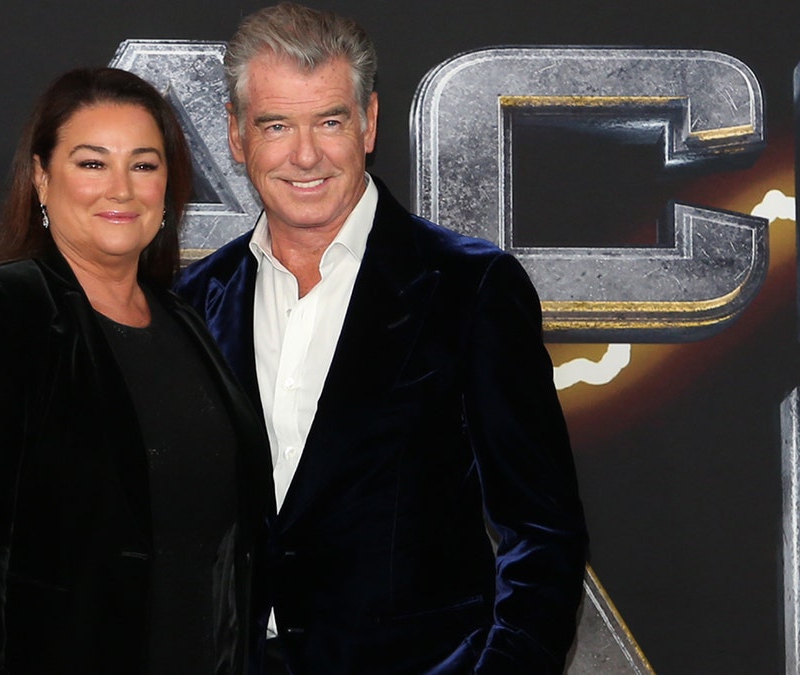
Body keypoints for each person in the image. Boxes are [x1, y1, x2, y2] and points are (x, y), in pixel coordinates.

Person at [174, 4, 588, 674]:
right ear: (236, 134)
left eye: (329, 121)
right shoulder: (192, 305)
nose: (304, 155)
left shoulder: (468, 289)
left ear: (368, 123)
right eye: (277, 125)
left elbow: (542, 531)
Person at [0, 67, 274, 675]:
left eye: (144, 165)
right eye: (92, 164)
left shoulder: (184, 321)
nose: (121, 189)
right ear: (41, 177)